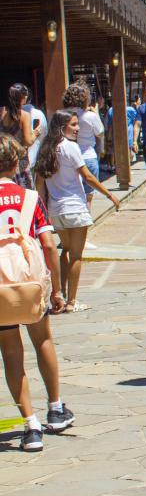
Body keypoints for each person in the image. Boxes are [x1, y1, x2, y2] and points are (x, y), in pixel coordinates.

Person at [0, 133, 73, 452]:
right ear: (16, 162)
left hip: (1, 288)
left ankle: (29, 425)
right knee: (42, 339)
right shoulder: (29, 197)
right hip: (30, 285)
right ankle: (55, 408)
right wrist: (57, 290)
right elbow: (47, 245)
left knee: (11, 353)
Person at [32, 111, 120, 312]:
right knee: (76, 256)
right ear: (62, 126)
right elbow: (88, 176)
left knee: (65, 251)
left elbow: (39, 183)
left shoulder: (47, 149)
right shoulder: (70, 147)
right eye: (73, 125)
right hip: (75, 208)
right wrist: (109, 195)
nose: (78, 128)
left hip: (56, 210)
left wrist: (42, 209)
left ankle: (60, 295)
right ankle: (72, 301)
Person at [62, 84, 106, 207]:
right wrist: (96, 113)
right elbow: (100, 132)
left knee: (70, 195)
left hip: (66, 158)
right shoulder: (90, 116)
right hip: (87, 157)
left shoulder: (61, 115)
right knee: (88, 197)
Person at [2, 84, 37, 188]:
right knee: (25, 194)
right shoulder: (24, 115)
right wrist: (35, 133)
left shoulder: (1, 111)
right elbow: (28, 141)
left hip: (3, 158)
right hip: (19, 161)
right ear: (24, 97)